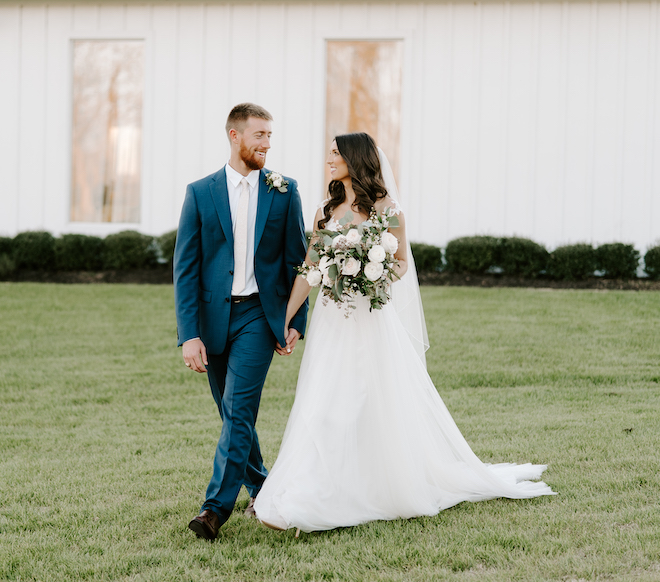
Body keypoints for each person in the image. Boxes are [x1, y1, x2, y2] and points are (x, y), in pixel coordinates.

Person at [254, 132, 555, 533]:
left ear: (354, 159)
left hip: (371, 319)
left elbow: (401, 264)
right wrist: (285, 319)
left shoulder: (388, 210)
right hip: (332, 321)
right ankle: (309, 487)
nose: (328, 159)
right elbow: (310, 270)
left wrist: (369, 272)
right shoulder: (324, 212)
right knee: (321, 401)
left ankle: (376, 484)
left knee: (371, 399)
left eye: (335, 154)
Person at [173, 103, 308, 541]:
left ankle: (214, 509)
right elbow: (186, 268)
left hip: (258, 315)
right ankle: (264, 487)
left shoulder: (285, 191)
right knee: (231, 413)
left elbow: (297, 261)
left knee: (238, 408)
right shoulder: (199, 192)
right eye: (259, 135)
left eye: (270, 135)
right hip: (212, 320)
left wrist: (296, 319)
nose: (267, 143)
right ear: (234, 136)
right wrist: (189, 334)